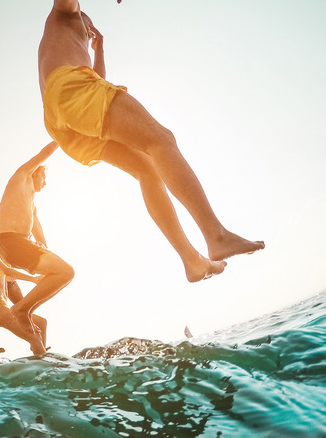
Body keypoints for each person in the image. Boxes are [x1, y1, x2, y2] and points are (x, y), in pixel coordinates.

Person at [38, 0, 264, 282]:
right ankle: (215, 235)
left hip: (62, 117)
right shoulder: (66, 12)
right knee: (161, 140)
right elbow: (83, 83)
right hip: (69, 89)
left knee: (147, 169)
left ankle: (192, 261)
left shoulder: (71, 38)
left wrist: (100, 50)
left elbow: (94, 86)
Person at [0, 141, 75, 334]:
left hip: (18, 245)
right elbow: (44, 153)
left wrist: (46, 248)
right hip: (11, 241)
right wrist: (61, 137)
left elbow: (37, 227)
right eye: (44, 177)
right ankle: (22, 308)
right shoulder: (21, 177)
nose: (45, 182)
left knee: (62, 273)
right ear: (35, 172)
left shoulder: (31, 203)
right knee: (67, 272)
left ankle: (24, 310)